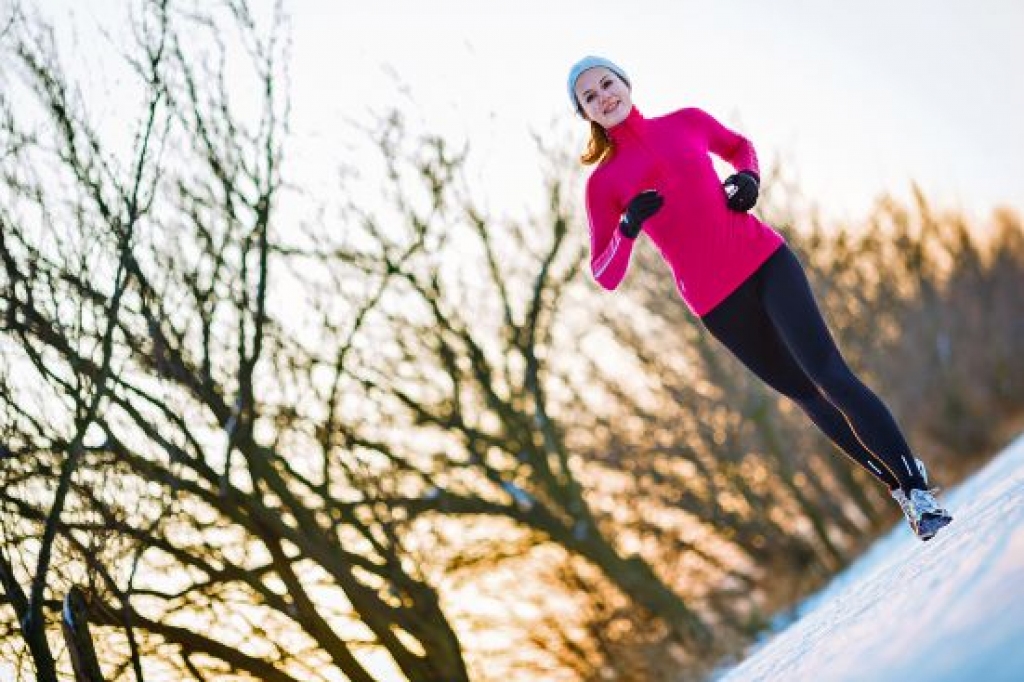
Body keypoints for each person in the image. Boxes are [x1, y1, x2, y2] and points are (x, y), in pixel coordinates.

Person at [568, 55, 952, 541]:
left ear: (625, 82)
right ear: (585, 114)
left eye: (607, 83)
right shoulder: (603, 183)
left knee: (829, 375)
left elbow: (739, 147)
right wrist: (627, 227)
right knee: (808, 395)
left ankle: (918, 488)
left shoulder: (685, 122)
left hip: (767, 262)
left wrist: (748, 179)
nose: (603, 97)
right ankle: (898, 489)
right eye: (590, 97)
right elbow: (604, 273)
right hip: (718, 304)